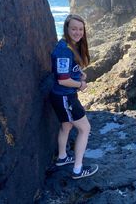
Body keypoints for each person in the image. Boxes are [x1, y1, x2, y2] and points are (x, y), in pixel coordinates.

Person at [50, 14, 98, 179]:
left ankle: (62, 157)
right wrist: (80, 85)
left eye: (80, 29)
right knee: (85, 129)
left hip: (61, 97)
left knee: (66, 126)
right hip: (65, 97)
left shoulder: (70, 46)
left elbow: (68, 70)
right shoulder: (64, 50)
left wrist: (80, 74)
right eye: (74, 29)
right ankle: (78, 170)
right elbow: (63, 80)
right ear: (67, 29)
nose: (77, 32)